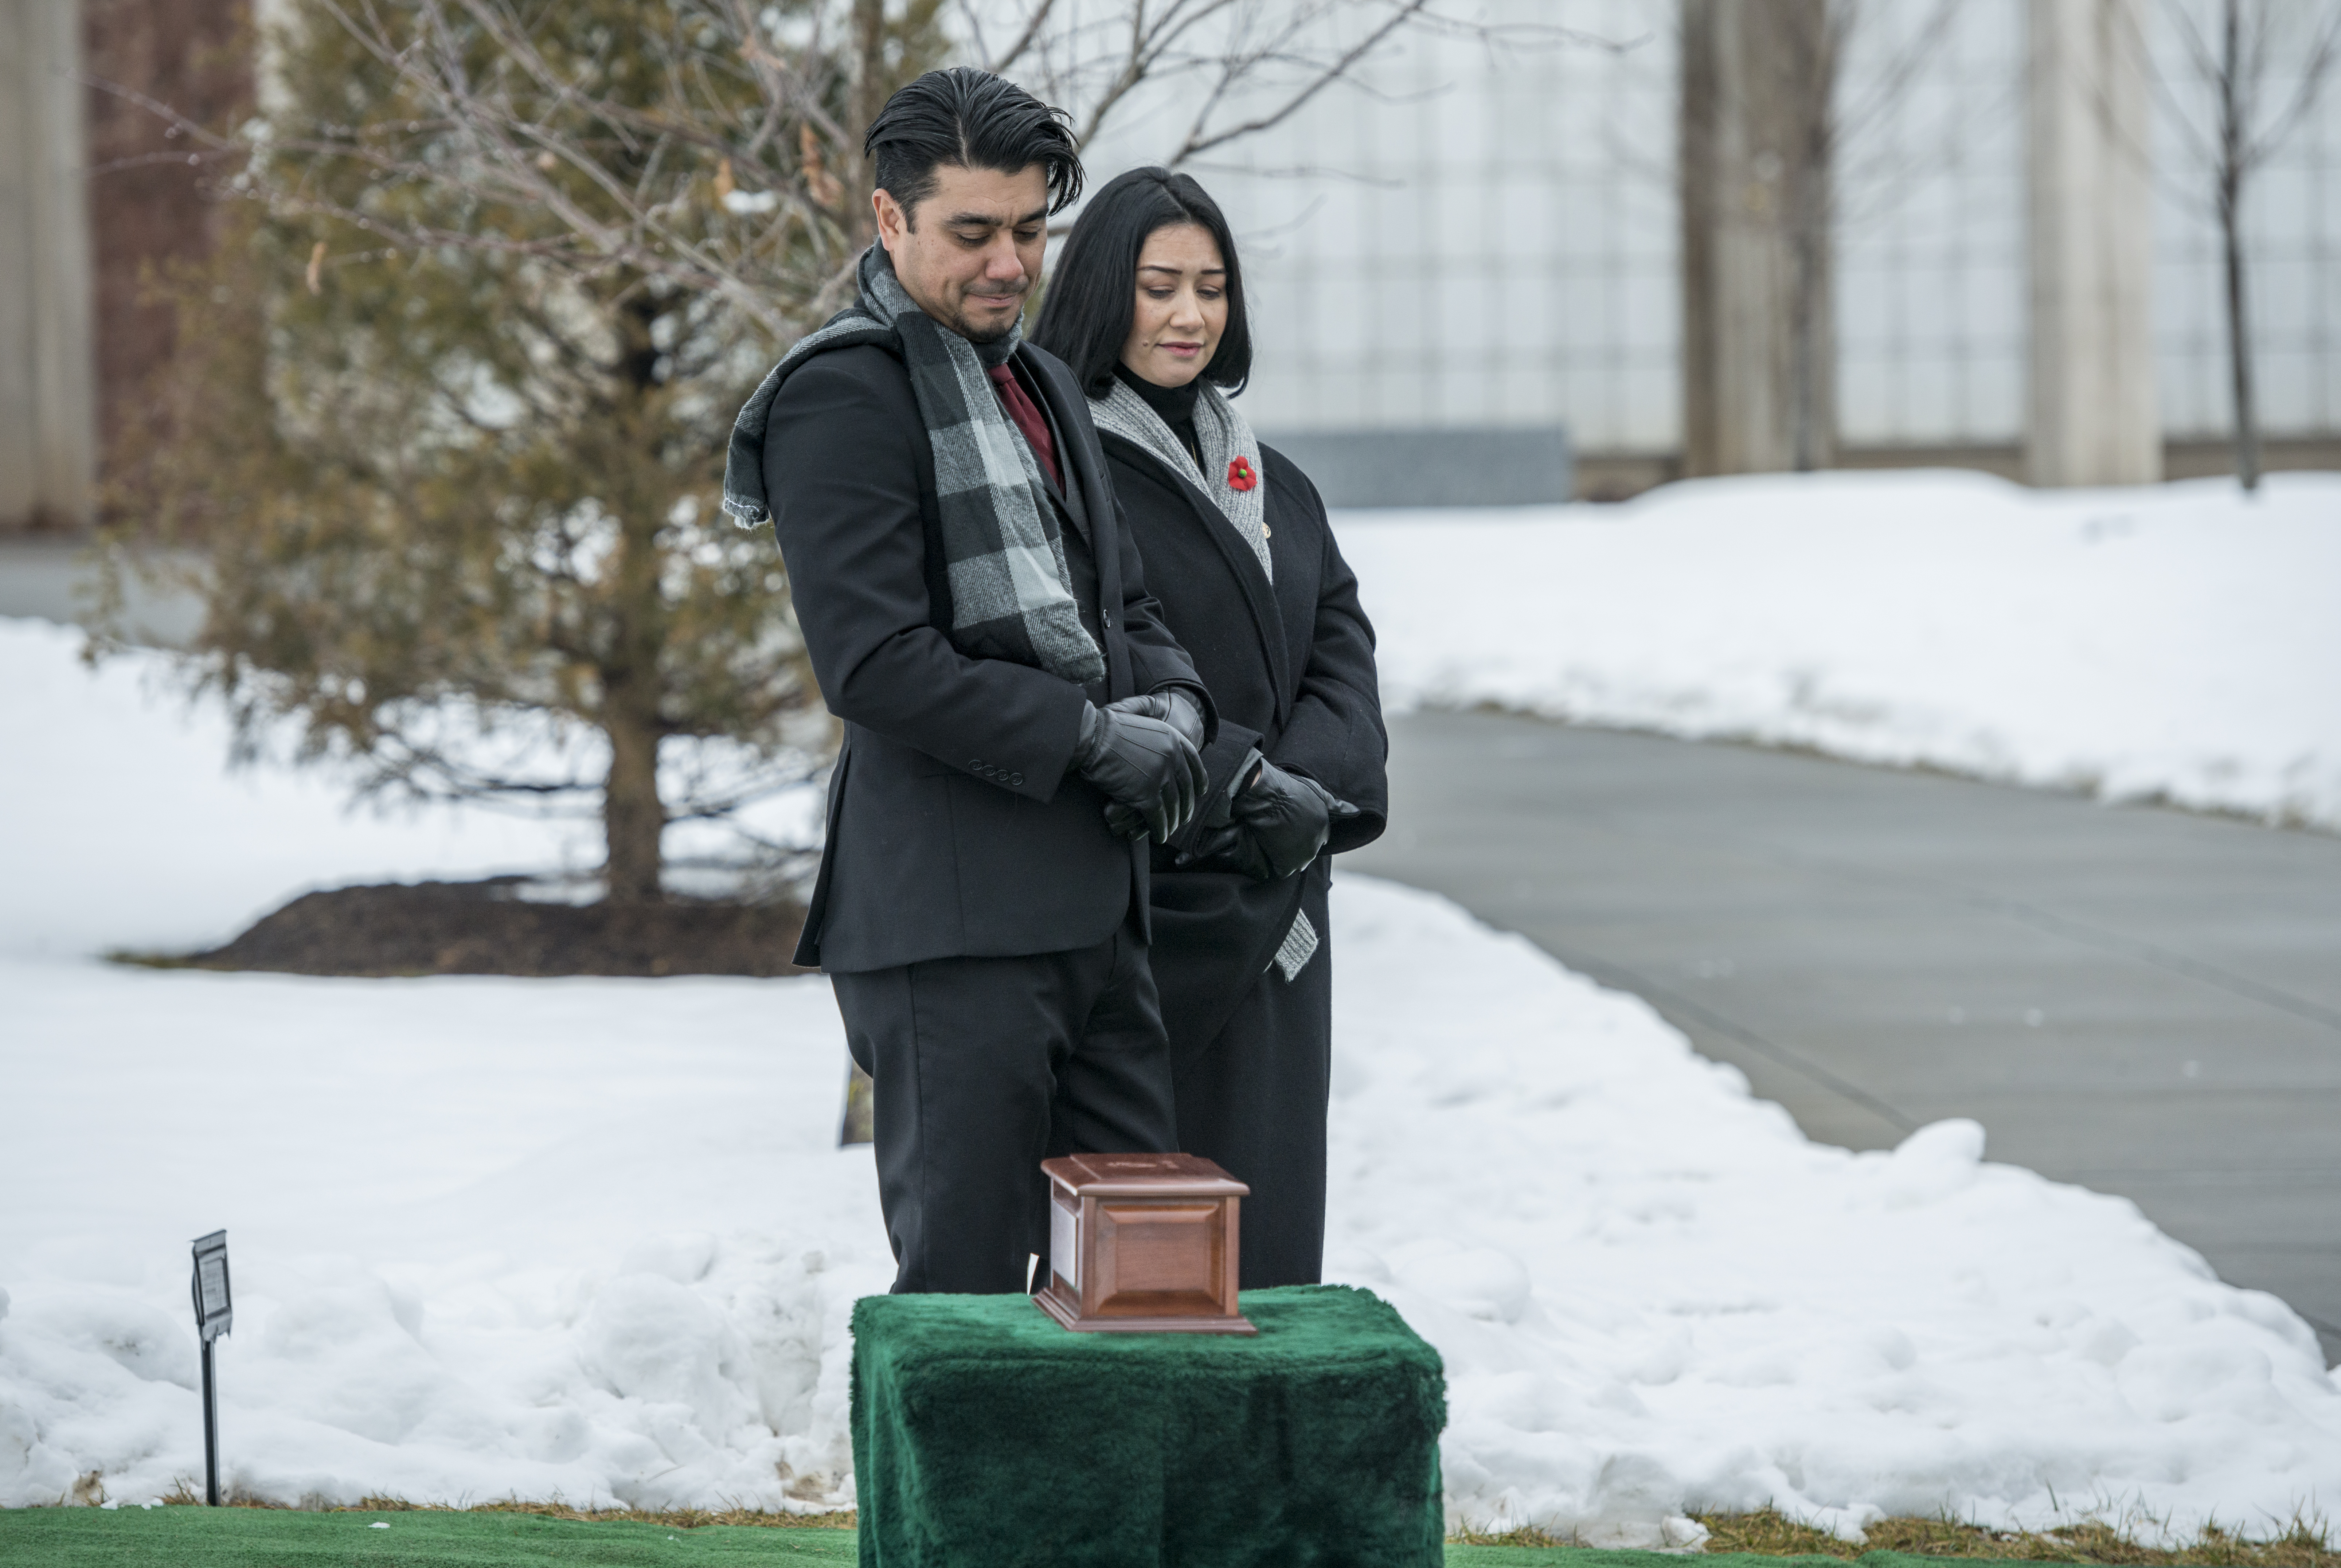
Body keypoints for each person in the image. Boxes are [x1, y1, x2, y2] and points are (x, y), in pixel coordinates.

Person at [720, 74, 1218, 1295]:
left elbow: (1125, 610)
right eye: (973, 233)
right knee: (968, 1294)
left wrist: (1180, 709)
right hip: (948, 930)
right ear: (890, 222)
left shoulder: (1042, 382)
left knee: (1142, 1281)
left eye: (1030, 230)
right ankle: (948, 1500)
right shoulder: (839, 396)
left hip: (1099, 911)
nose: (1009, 263)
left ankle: (1103, 1498)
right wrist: (1094, 742)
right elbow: (876, 665)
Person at [1031, 168, 1387, 1289]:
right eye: (1158, 287)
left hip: (1285, 900)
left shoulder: (1275, 481)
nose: (1190, 315)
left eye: (1212, 288)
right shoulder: (1062, 470)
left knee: (1275, 1232)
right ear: (1101, 294)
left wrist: (1310, 799)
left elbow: (1342, 653)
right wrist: (1239, 791)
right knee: (1151, 1244)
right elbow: (1101, 662)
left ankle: (1267, 1458)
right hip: (1157, 902)